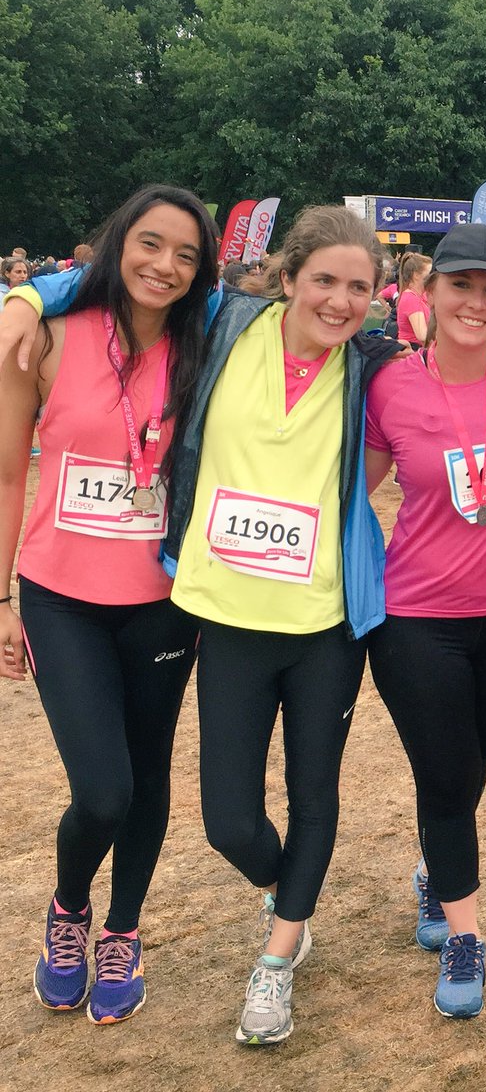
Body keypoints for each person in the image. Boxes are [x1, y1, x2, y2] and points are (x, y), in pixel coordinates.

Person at [162, 205, 401, 1046]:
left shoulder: (375, 366)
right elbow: (121, 282)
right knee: (229, 817)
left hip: (324, 626)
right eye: (326, 281)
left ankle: (279, 956)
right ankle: (287, 887)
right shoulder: (228, 325)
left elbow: (463, 363)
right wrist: (23, 298)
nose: (340, 302)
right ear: (288, 277)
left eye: (360, 288)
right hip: (227, 614)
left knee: (314, 795)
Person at [0, 184, 217, 1024]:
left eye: (187, 254)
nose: (165, 265)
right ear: (120, 241)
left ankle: (123, 931)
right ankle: (67, 909)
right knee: (102, 791)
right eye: (151, 243)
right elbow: (9, 472)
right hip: (62, 599)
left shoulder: (211, 340)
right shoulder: (49, 335)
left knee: (149, 773)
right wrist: (2, 597)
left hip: (164, 599)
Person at [364, 223, 486, 1019]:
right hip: (415, 619)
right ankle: (464, 930)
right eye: (461, 286)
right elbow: (345, 492)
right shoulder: (389, 385)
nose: (476, 302)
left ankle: (436, 871)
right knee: (445, 776)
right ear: (427, 293)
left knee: (469, 769)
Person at [395, 251, 433, 348]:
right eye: (430, 273)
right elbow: (422, 336)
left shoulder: (422, 296)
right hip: (413, 352)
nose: (433, 276)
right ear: (416, 275)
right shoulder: (410, 298)